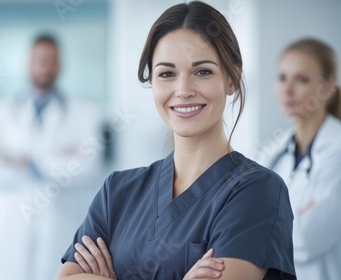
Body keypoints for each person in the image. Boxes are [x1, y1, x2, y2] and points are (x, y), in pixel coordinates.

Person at [55, 2, 297, 279]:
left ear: (231, 79)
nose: (183, 90)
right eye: (167, 74)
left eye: (202, 71)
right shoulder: (118, 192)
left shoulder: (257, 191)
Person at [0, 34, 103, 280]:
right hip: (9, 227)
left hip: (58, 223)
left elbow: (89, 167)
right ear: (28, 63)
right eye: (39, 60)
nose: (45, 66)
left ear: (61, 65)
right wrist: (59, 158)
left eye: (51, 60)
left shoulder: (85, 113)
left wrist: (27, 161)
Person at [255, 38, 341, 280]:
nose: (287, 89)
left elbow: (306, 241)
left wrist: (258, 225)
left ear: (327, 88)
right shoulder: (272, 153)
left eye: (301, 79)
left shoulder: (337, 150)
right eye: (282, 78)